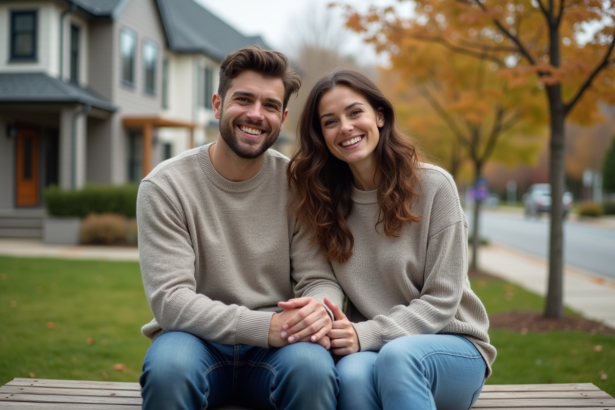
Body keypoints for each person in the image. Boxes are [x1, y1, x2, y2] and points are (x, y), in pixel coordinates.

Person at [137, 47, 344, 410]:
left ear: (282, 118)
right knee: (168, 369)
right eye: (243, 99)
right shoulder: (165, 186)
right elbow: (171, 301)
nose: (255, 114)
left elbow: (320, 279)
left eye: (269, 105)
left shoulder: (297, 184)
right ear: (217, 105)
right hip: (193, 340)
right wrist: (266, 328)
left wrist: (320, 310)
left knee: (313, 369)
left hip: (277, 351)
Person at [283, 70, 497, 410]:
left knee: (398, 357)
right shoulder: (323, 202)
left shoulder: (434, 187)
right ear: (321, 136)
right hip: (373, 350)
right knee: (351, 373)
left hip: (452, 346)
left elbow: (443, 298)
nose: (346, 127)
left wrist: (366, 334)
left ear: (379, 116)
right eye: (330, 122)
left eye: (355, 113)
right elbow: (321, 279)